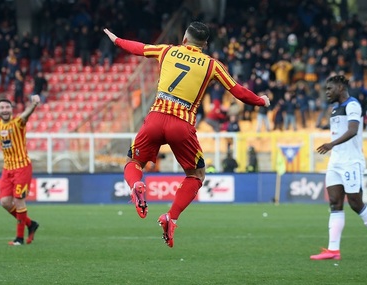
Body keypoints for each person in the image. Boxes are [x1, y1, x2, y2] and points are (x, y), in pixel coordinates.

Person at [103, 22, 270, 248]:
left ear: (184, 38)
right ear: (205, 45)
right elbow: (238, 91)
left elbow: (140, 48)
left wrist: (116, 40)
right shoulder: (213, 65)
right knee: (196, 174)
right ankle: (170, 218)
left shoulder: (168, 50)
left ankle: (136, 186)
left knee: (134, 161)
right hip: (182, 124)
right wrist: (261, 101)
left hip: (156, 117)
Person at [310, 75, 367, 261]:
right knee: (334, 202)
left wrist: (331, 144)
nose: (327, 93)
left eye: (329, 89)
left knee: (356, 203)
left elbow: (353, 130)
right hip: (335, 161)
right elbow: (339, 130)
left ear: (340, 87)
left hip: (351, 161)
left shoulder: (352, 105)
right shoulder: (334, 109)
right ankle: (333, 250)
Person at [0, 95, 41, 245]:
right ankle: (31, 224)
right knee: (4, 202)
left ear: (11, 109)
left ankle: (19, 239)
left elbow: (26, 114)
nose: (5, 110)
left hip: (22, 167)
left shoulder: (18, 122)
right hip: (7, 169)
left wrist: (34, 104)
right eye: (2, 108)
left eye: (7, 107)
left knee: (19, 201)